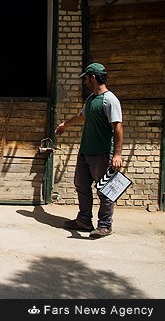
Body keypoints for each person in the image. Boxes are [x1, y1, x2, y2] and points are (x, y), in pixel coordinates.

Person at [55, 63, 123, 239]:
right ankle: (84, 220)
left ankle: (105, 225)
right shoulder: (92, 99)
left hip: (102, 153)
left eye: (85, 78)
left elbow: (118, 127)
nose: (84, 81)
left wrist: (117, 154)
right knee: (81, 185)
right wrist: (65, 125)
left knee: (105, 190)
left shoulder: (110, 100)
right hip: (85, 151)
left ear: (93, 77)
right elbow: (82, 116)